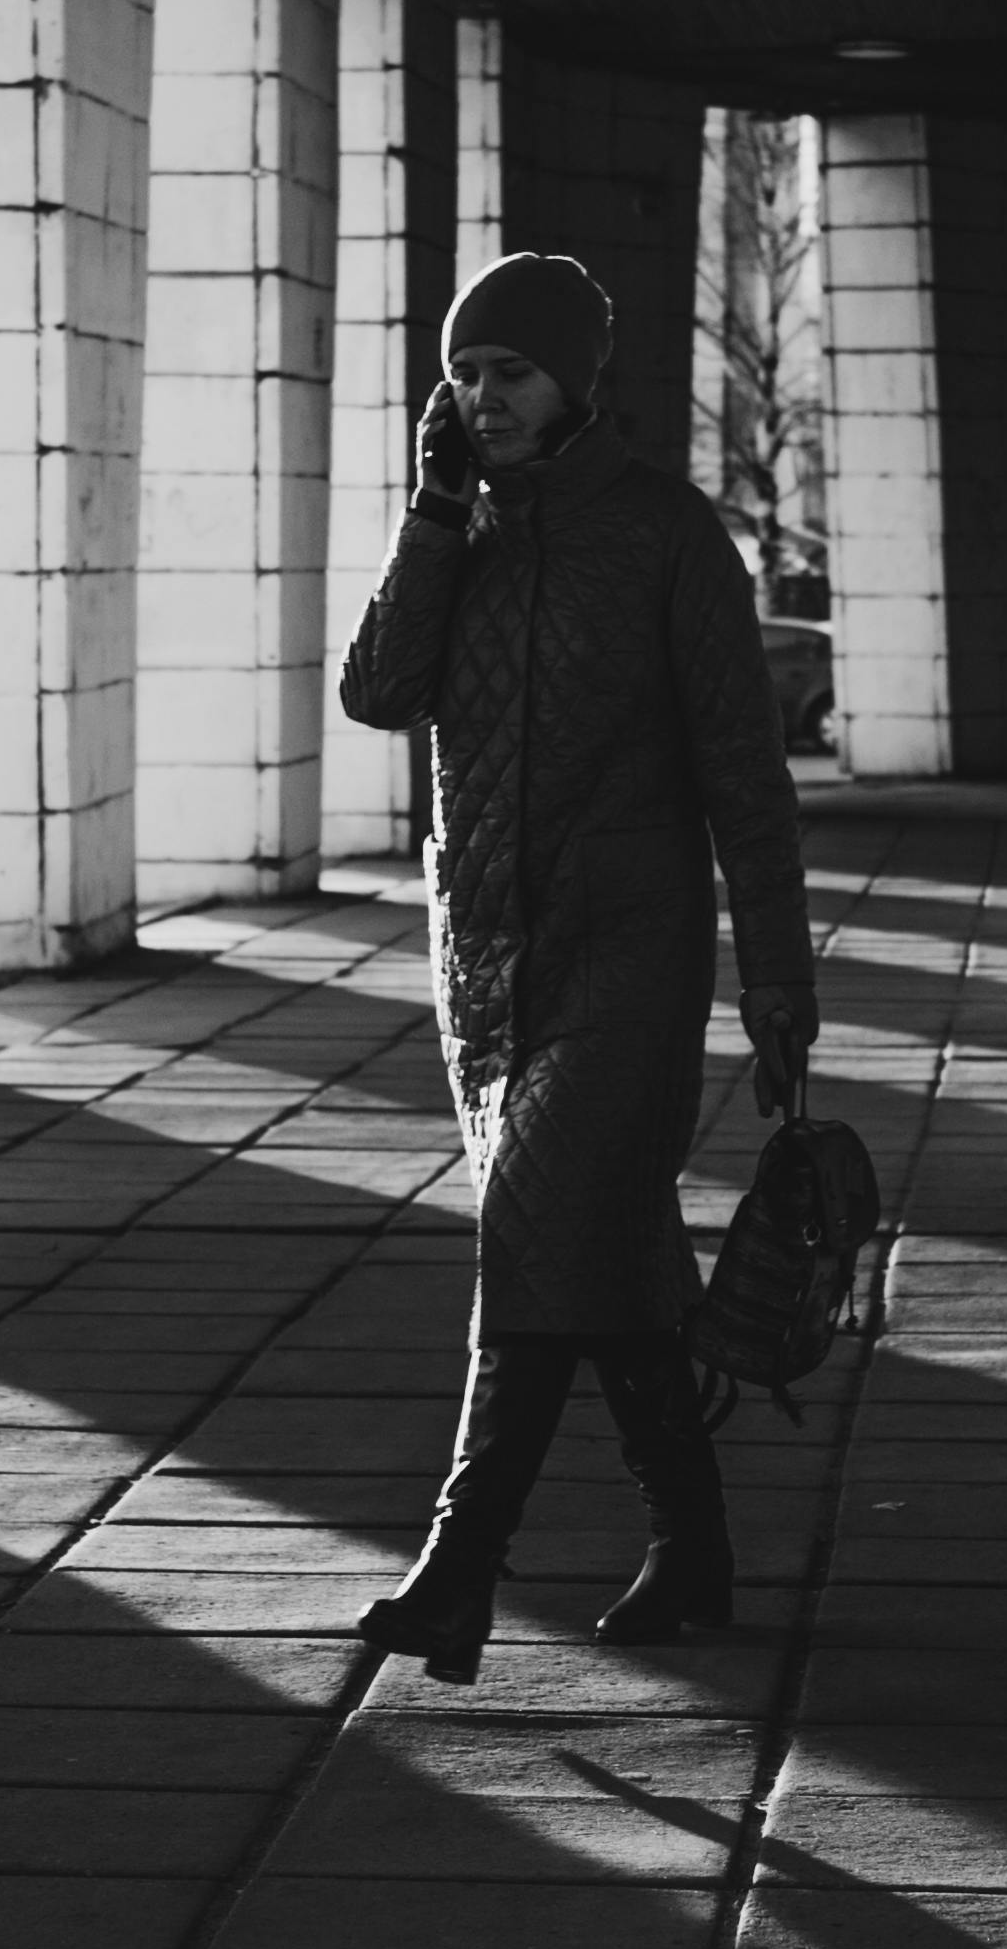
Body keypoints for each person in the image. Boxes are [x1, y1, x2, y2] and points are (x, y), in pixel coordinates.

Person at [337, 249, 819, 1683]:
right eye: (465, 373)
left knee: (531, 1230)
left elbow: (745, 773)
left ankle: (458, 1569)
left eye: (511, 372)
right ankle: (695, 1544)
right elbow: (376, 692)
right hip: (485, 963)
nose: (482, 396)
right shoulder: (460, 533)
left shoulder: (667, 537)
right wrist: (432, 518)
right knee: (600, 1259)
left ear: (575, 384)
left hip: (630, 955)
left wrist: (778, 979)